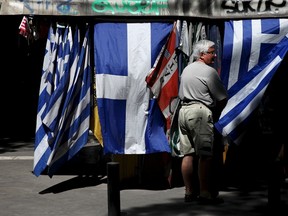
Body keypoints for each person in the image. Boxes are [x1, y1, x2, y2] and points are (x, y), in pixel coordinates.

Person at [178, 39, 228, 204]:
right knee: (205, 155)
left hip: (183, 111)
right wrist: (216, 113)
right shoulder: (209, 71)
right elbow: (222, 98)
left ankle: (189, 192)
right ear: (201, 54)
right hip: (199, 112)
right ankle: (205, 193)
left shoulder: (187, 69)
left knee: (188, 154)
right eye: (211, 52)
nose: (214, 55)